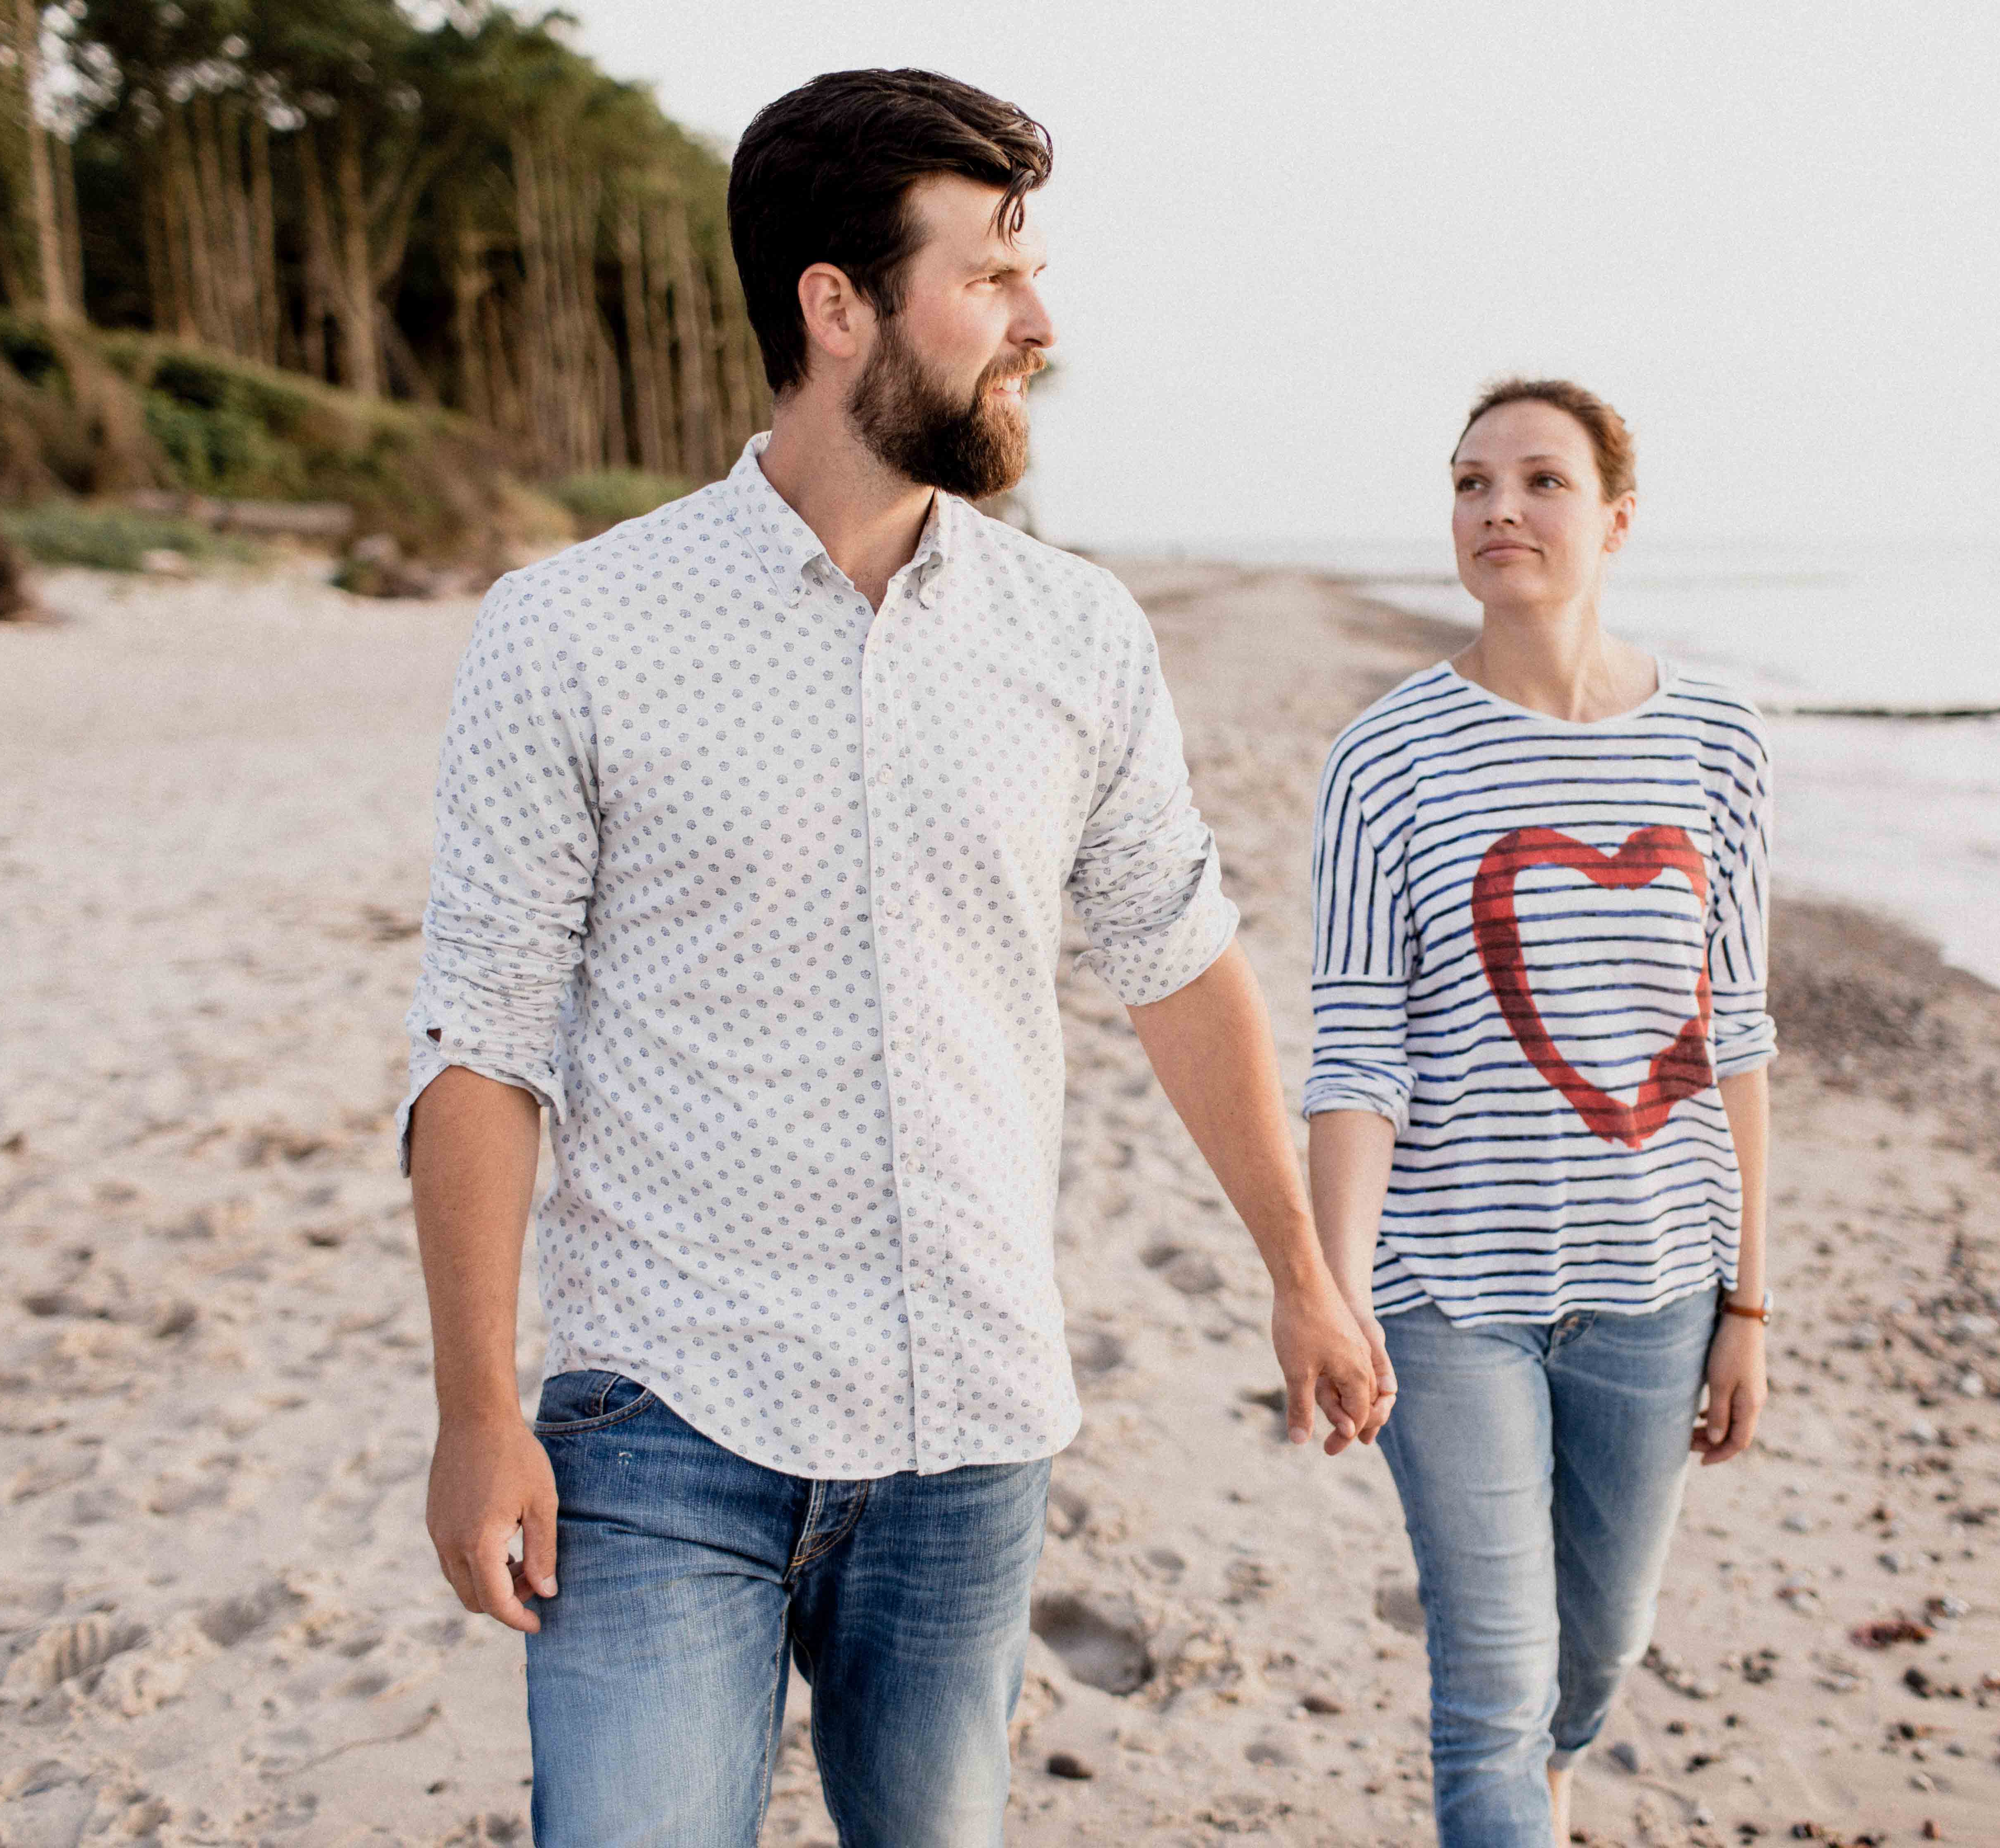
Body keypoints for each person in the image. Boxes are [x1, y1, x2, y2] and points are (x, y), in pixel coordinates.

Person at [402, 68, 1381, 1847]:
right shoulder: (574, 630)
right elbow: (484, 1037)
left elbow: (1176, 959)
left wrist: (1301, 1269)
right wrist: (477, 1409)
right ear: (837, 308)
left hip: (973, 1427)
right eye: (991, 274)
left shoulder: (1076, 635)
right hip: (662, 1424)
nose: (1039, 321)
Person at [1304, 379, 1776, 1848]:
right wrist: (1331, 1290)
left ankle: (1551, 1778)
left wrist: (1751, 1303)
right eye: (1469, 483)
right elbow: (1357, 1057)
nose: (1498, 508)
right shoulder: (1383, 761)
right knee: (1492, 1692)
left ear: (1617, 520)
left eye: (1540, 481)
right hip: (1448, 1303)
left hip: (1656, 1292)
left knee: (1597, 1660)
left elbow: (1740, 1036)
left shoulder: (1720, 739)